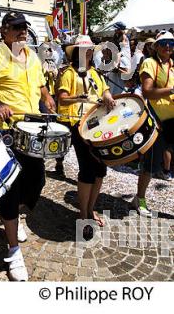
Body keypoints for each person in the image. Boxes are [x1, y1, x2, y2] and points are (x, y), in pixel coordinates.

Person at [0, 11, 56, 281]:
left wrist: (47, 97)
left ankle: (11, 216)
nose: (22, 32)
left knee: (37, 183)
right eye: (16, 28)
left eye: (24, 28)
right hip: (5, 133)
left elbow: (39, 85)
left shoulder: (32, 56)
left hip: (32, 131)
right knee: (11, 190)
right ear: (4, 30)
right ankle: (14, 250)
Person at [57, 35, 115, 239]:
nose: (88, 53)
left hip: (98, 125)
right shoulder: (68, 73)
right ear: (77, 53)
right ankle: (83, 215)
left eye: (90, 50)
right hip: (78, 125)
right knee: (88, 168)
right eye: (84, 50)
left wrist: (108, 97)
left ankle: (90, 209)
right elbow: (62, 100)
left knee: (101, 169)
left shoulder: (96, 73)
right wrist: (78, 98)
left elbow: (105, 91)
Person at [132, 30, 174, 215]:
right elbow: (147, 91)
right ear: (156, 46)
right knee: (150, 163)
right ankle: (139, 199)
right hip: (156, 120)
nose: (167, 46)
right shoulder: (149, 63)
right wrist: (171, 90)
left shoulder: (173, 65)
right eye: (163, 43)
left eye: (171, 44)